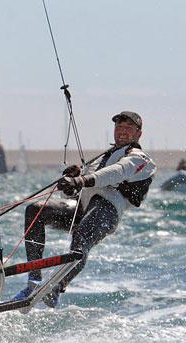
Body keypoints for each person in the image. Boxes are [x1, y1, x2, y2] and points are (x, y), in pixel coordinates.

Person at [14, 111, 156, 307]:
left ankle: (56, 287)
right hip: (83, 208)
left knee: (81, 237)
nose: (122, 132)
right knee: (35, 210)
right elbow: (75, 193)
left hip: (108, 210)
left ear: (139, 134)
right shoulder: (101, 159)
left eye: (128, 128)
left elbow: (118, 172)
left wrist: (82, 179)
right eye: (119, 128)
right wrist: (71, 182)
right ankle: (34, 281)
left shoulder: (140, 159)